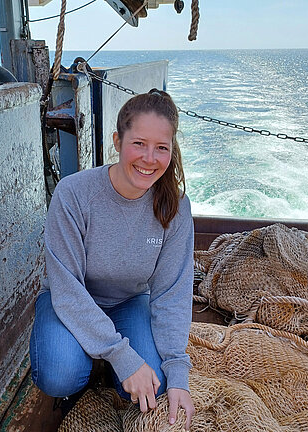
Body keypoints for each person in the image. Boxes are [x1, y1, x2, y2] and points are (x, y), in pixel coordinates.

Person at [29, 89, 195, 429]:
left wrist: (178, 373)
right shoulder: (74, 194)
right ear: (118, 141)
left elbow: (171, 293)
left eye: (161, 148)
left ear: (171, 150)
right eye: (139, 144)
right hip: (69, 299)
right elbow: (67, 288)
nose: (150, 158)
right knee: (60, 373)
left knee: (156, 382)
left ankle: (104, 351)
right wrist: (122, 355)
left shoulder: (175, 207)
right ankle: (90, 361)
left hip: (129, 300)